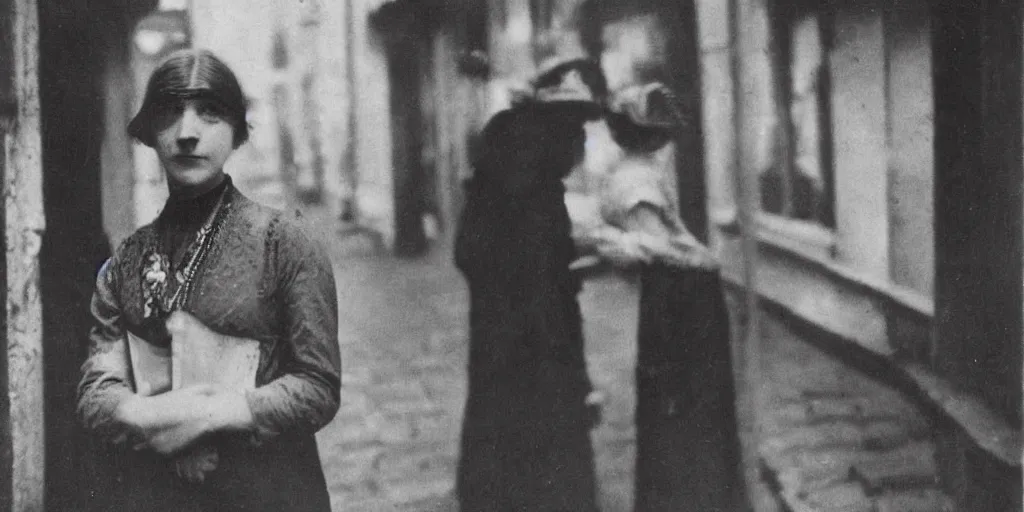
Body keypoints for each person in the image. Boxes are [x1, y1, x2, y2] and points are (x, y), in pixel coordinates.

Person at [76, 49, 341, 511]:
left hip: (269, 492)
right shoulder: (123, 265)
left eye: (210, 113)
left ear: (237, 131)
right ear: (148, 132)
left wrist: (212, 414)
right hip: (158, 496)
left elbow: (318, 386)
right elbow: (96, 393)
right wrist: (151, 415)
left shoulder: (285, 243)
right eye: (170, 113)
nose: (187, 133)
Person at [580, 82, 744, 511]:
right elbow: (659, 249)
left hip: (672, 298)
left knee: (675, 407)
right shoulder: (638, 181)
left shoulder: (626, 174)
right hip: (683, 300)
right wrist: (701, 258)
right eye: (663, 131)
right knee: (691, 406)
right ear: (652, 134)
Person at [454, 97, 601, 511]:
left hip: (495, 342)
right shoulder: (540, 200)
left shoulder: (493, 192)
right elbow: (546, 293)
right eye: (578, 141)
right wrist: (576, 376)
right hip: (540, 349)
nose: (580, 155)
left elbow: (470, 255)